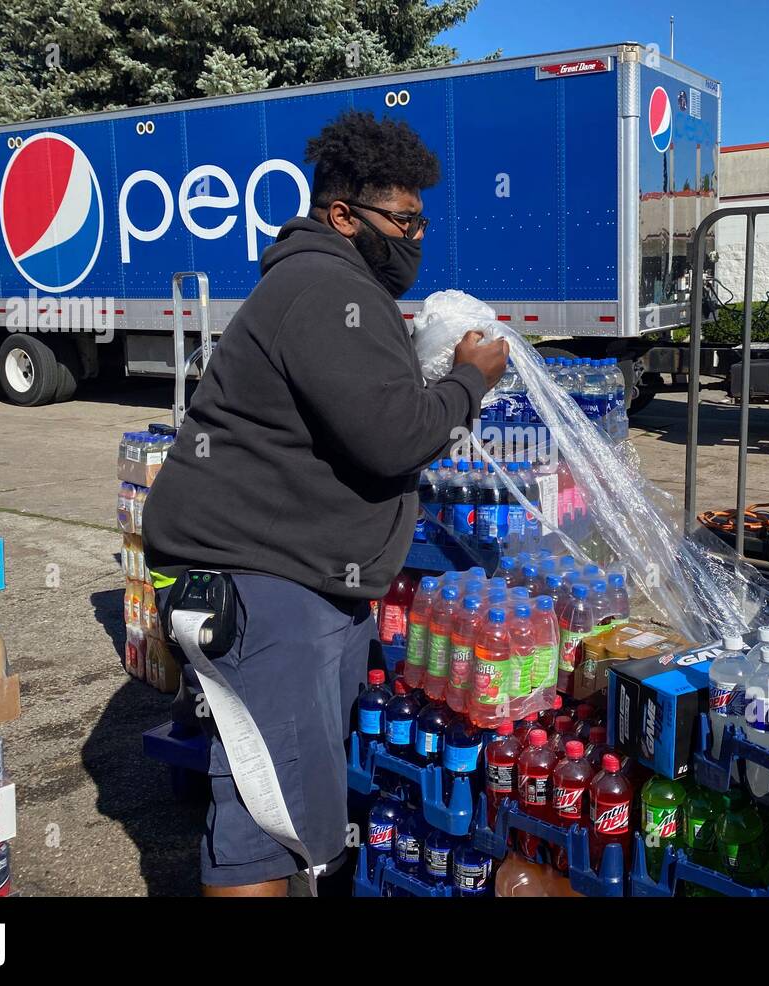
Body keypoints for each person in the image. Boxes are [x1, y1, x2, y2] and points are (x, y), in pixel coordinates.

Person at [142, 110, 508, 897]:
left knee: (301, 786)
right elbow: (392, 437)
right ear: (344, 215)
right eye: (403, 220)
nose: (416, 236)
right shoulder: (320, 287)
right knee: (261, 809)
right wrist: (470, 379)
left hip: (308, 572)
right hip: (260, 573)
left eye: (421, 218)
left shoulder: (340, 288)